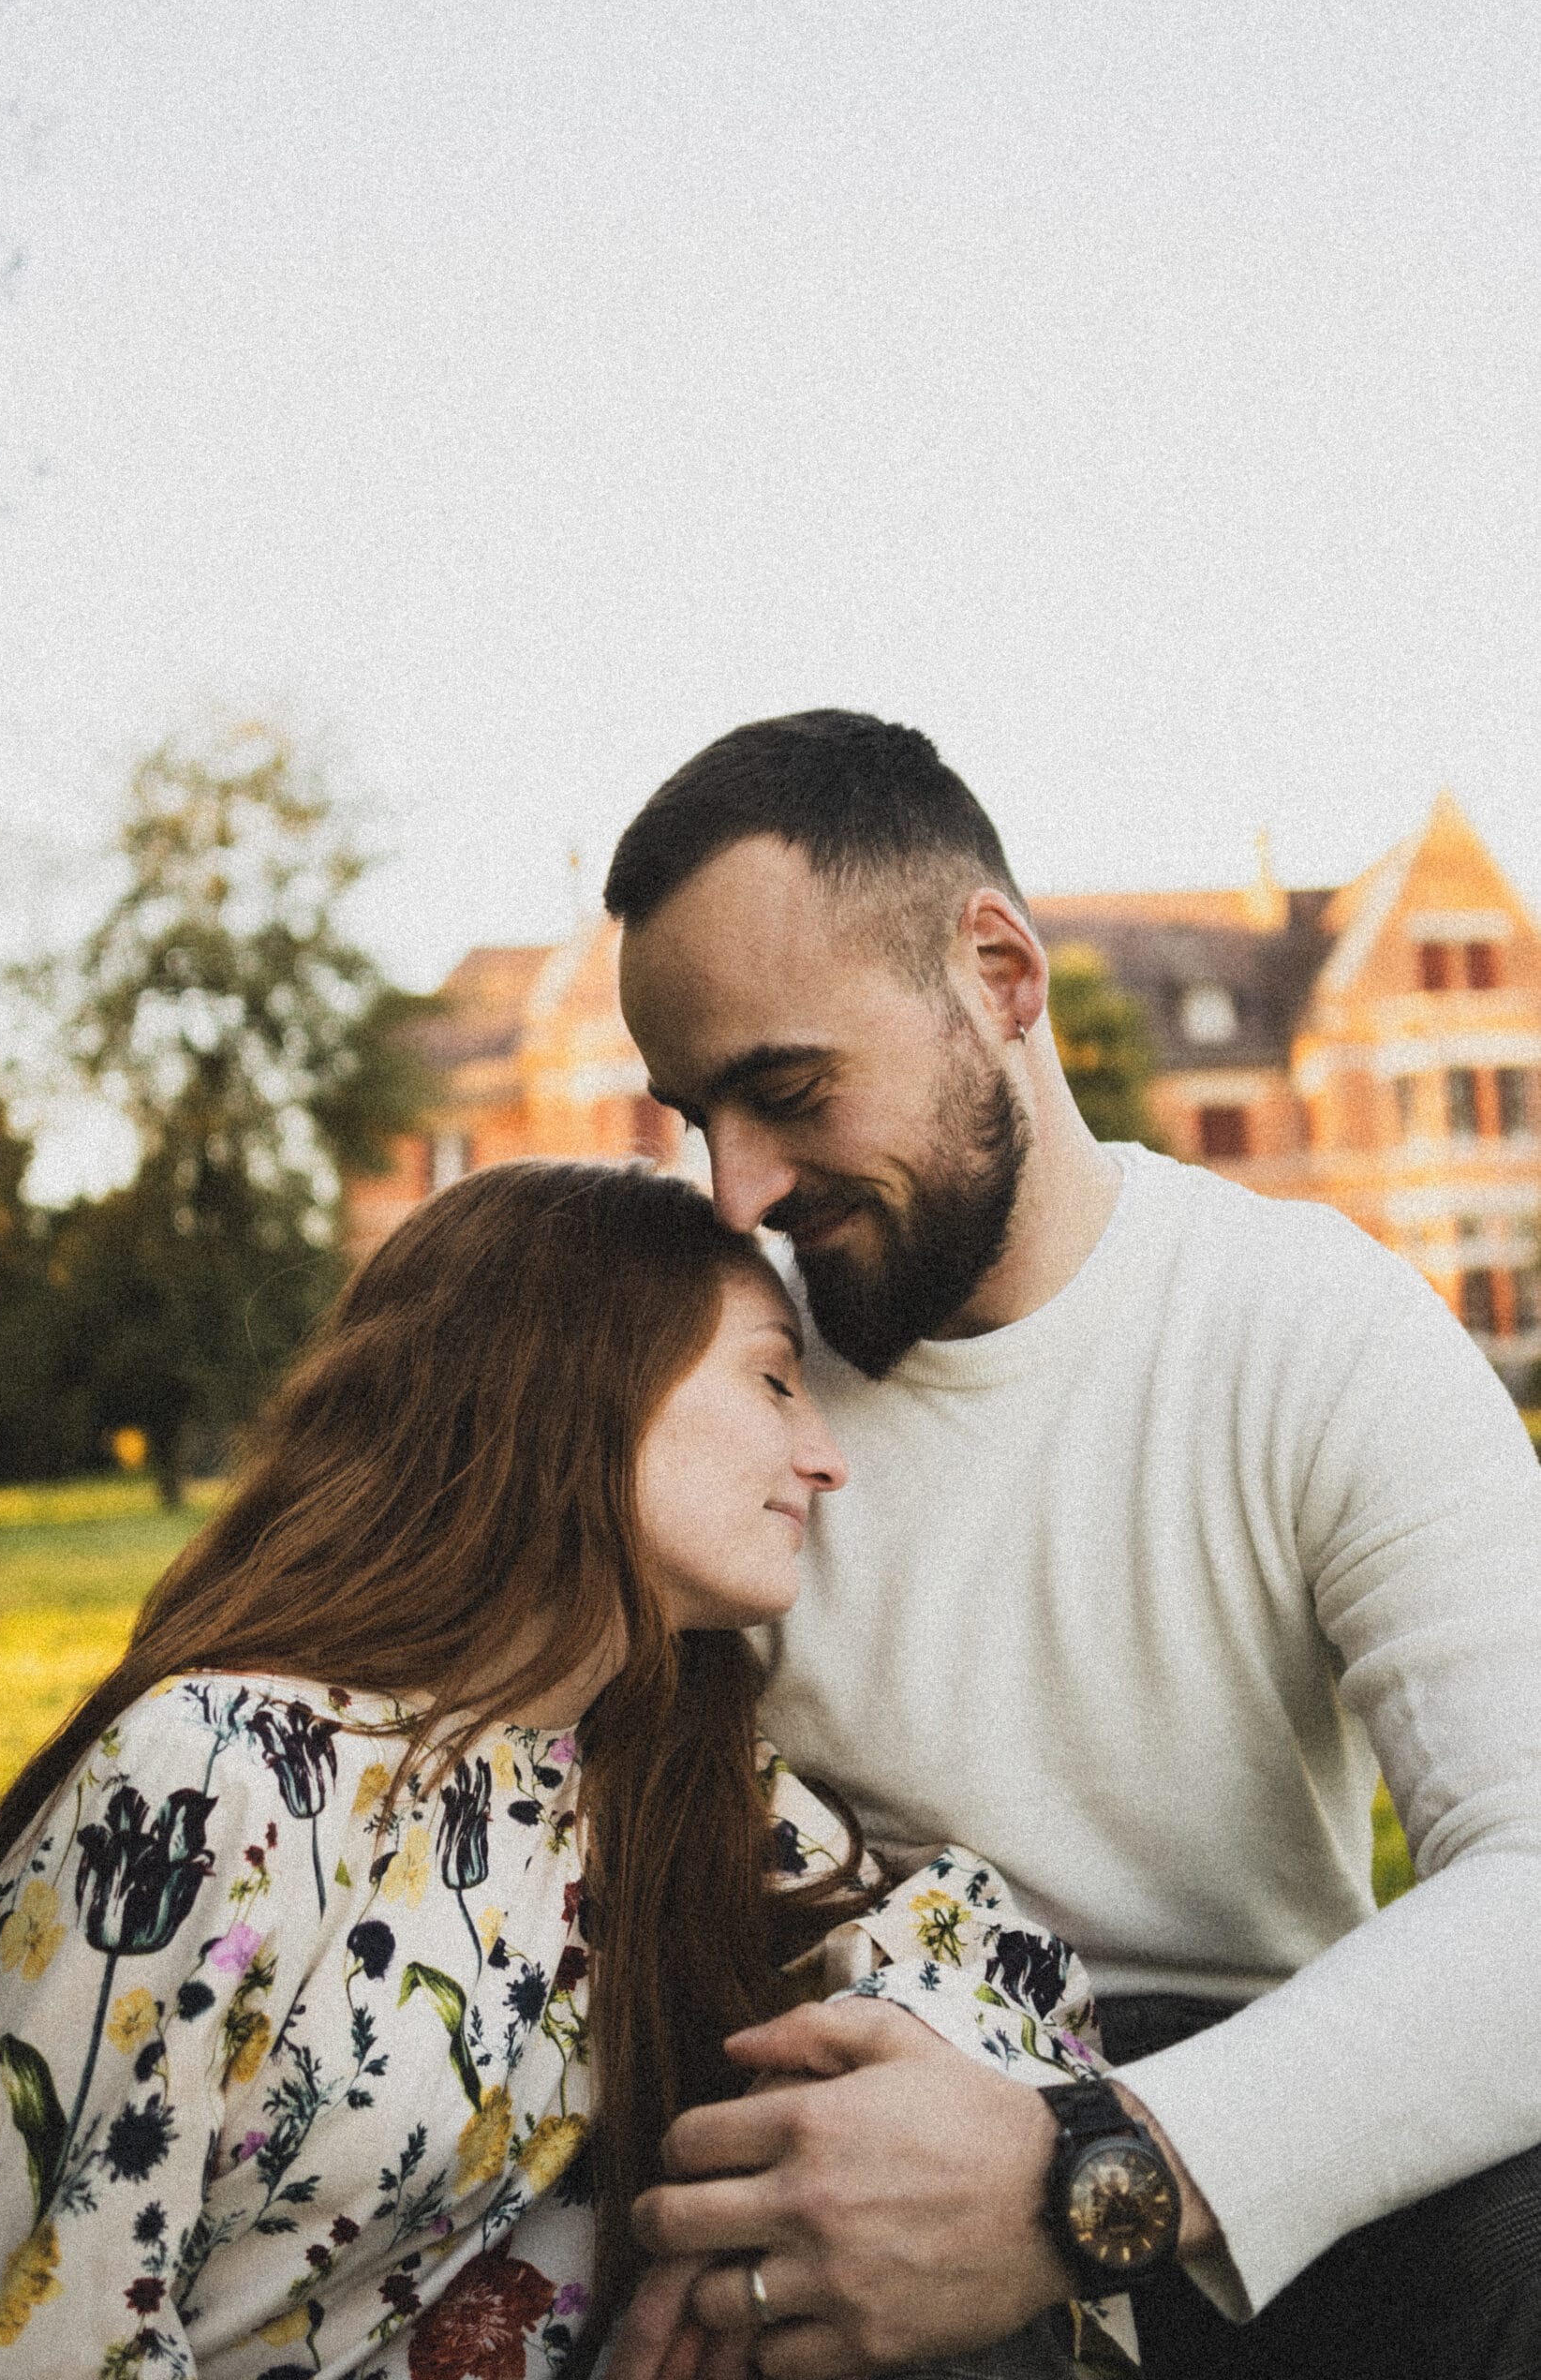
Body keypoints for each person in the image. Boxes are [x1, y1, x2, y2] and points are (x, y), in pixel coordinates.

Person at [602, 710, 1541, 2380]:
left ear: (1002, 976)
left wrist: (1080, 2177)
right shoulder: (714, 1393)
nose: (736, 1191)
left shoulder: (1316, 1329)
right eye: (697, 1117)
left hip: (1261, 2170)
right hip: (843, 2189)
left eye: (787, 1090)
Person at [0, 1157, 1122, 2380]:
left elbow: (1004, 1974)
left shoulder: (657, 1784)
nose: (825, 1458)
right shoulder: (209, 1780)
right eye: (774, 1380)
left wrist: (734, 2258)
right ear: (579, 1381)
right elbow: (40, 2327)